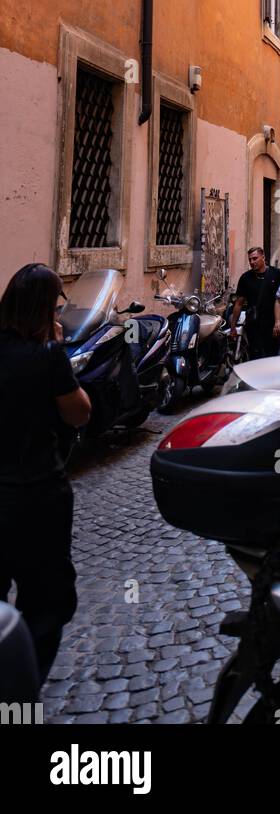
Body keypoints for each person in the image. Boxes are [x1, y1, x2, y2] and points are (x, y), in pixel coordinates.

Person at [0, 264, 91, 686]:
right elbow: (79, 413)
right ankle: (21, 698)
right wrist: (57, 354)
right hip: (37, 493)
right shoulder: (48, 356)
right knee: (47, 603)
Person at [230, 247, 280, 360]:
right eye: (250, 259)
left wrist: (279, 321)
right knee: (255, 357)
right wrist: (233, 326)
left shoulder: (277, 274)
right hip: (254, 325)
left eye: (255, 258)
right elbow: (239, 303)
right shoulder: (245, 278)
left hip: (273, 325)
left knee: (273, 357)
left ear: (263, 257)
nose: (252, 262)